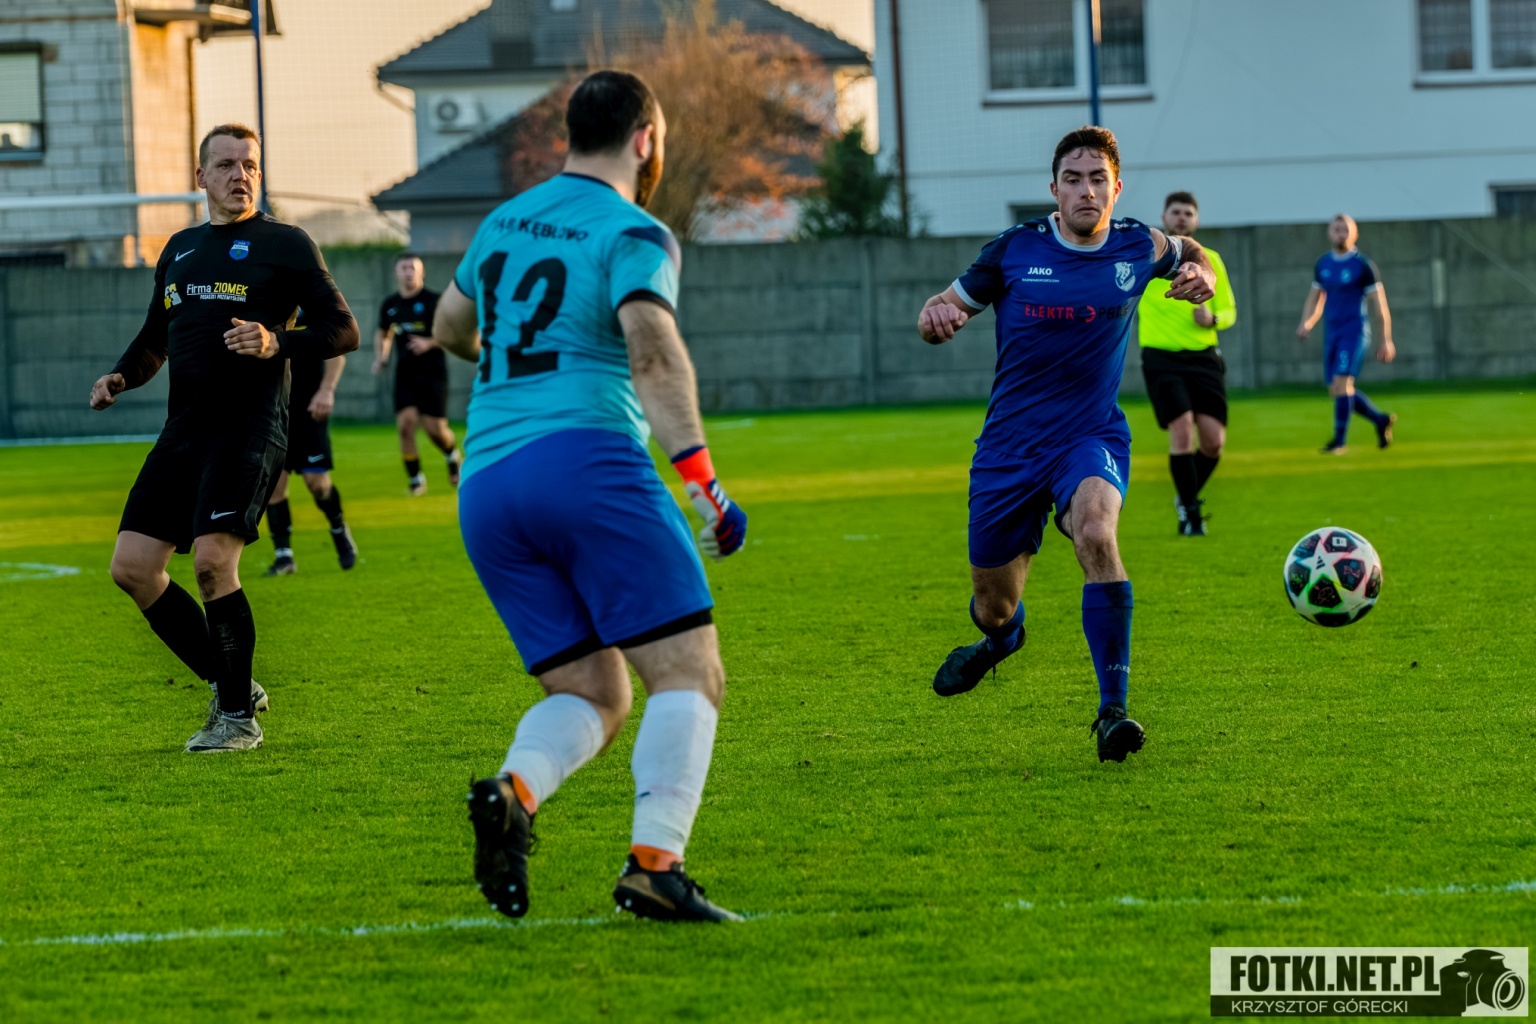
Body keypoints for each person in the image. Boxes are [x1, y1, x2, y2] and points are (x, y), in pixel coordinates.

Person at [432, 71, 749, 922]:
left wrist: (515, 372)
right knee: (689, 671)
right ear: (646, 139)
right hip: (586, 463)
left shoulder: (504, 220)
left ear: (570, 134)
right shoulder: (634, 230)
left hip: (488, 486)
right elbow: (652, 351)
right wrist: (702, 481)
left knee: (594, 693)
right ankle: (655, 866)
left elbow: (450, 328)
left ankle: (514, 792)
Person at [916, 126, 1214, 763]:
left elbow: (1190, 250)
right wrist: (935, 318)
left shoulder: (1138, 244)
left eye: (1097, 179)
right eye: (1073, 180)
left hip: (1089, 435)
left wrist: (1201, 271)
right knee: (993, 607)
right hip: (1009, 449)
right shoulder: (1015, 249)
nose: (1086, 191)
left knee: (1097, 533)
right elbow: (941, 307)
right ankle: (1002, 642)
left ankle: (1113, 713)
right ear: (1054, 190)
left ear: (1116, 188)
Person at [89, 123, 359, 753]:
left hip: (250, 427)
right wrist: (121, 376)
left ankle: (236, 719)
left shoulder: (286, 243)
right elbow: (156, 337)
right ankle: (232, 680)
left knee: (213, 564)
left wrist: (275, 341)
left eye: (250, 165)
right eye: (227, 165)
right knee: (133, 568)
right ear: (201, 177)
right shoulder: (180, 249)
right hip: (184, 429)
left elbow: (342, 329)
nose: (241, 175)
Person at [1136, 191, 1237, 536]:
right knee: (1181, 430)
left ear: (1196, 220)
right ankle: (1192, 515)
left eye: (1188, 213)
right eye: (1176, 212)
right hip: (1161, 356)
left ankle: (1185, 497)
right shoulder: (1149, 258)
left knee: (1213, 443)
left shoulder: (1211, 260)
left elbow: (1229, 311)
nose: (1182, 218)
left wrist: (1213, 319)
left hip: (1203, 357)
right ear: (1164, 218)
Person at [263, 309, 359, 576]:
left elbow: (337, 354)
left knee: (317, 484)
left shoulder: (316, 308)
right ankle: (284, 557)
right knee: (274, 484)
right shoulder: (266, 307)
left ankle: (338, 527)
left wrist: (326, 391)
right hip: (274, 409)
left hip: (309, 409)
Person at [1295, 214, 1397, 454]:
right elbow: (1316, 298)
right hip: (1333, 332)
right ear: (1329, 233)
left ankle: (1339, 443)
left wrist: (1386, 339)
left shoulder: (1363, 266)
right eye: (1336, 229)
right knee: (1337, 389)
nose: (1341, 233)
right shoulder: (1323, 264)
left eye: (1346, 229)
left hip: (1354, 332)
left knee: (1342, 384)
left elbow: (1380, 305)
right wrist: (1307, 322)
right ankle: (1380, 420)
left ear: (1355, 234)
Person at [373, 254, 461, 494]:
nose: (409, 272)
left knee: (435, 430)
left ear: (422, 272)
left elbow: (453, 334)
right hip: (405, 374)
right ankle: (415, 480)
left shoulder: (435, 301)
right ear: (396, 273)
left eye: (413, 268)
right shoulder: (390, 304)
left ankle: (452, 455)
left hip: (433, 373)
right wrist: (381, 357)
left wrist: (429, 343)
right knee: (405, 424)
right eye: (404, 268)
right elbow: (383, 333)